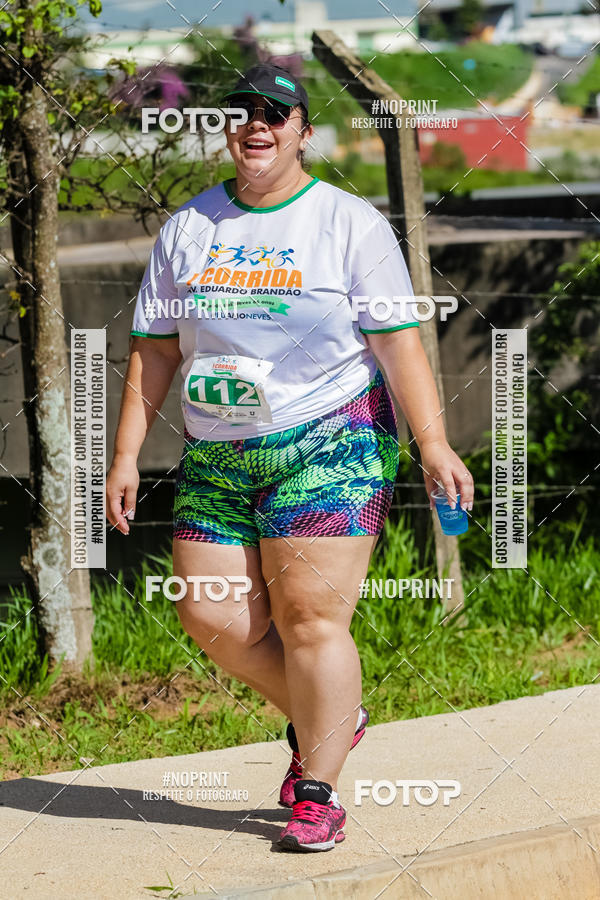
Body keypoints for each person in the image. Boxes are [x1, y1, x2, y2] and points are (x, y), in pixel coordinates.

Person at [106, 63, 474, 852]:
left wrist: (434, 441)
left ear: (305, 129)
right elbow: (155, 350)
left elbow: (397, 340)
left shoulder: (347, 223)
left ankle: (318, 788)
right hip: (217, 446)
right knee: (207, 612)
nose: (257, 125)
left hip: (330, 435)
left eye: (276, 113)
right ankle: (334, 718)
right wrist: (126, 454)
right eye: (242, 112)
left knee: (310, 618)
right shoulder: (190, 228)